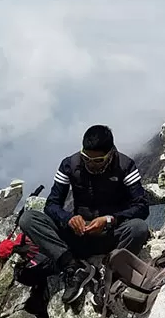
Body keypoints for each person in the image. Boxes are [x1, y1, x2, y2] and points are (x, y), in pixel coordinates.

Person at [18, 125, 150, 304]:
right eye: (86, 158)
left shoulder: (126, 166)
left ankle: (111, 277)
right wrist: (68, 218)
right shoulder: (69, 165)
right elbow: (52, 204)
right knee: (28, 219)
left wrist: (109, 220)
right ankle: (72, 266)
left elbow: (142, 207)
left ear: (110, 153)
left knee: (138, 228)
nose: (91, 164)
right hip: (78, 235)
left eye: (98, 160)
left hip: (109, 234)